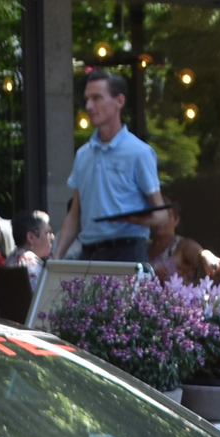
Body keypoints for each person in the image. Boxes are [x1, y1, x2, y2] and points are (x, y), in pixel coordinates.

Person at [56, 71, 161, 262]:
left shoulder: (139, 152)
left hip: (127, 251)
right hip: (89, 255)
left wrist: (135, 220)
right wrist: (56, 258)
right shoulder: (83, 154)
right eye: (87, 99)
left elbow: (161, 214)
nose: (88, 106)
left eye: (96, 98)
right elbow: (74, 215)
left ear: (119, 101)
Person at [15, 210, 55, 288]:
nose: (53, 237)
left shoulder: (11, 258)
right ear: (31, 237)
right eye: (48, 233)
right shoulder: (32, 264)